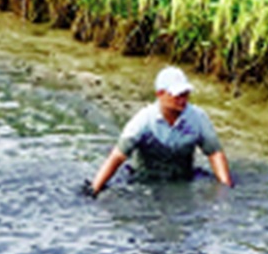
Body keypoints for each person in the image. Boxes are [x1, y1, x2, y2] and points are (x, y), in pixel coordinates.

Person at [89, 66, 232, 196]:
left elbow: (215, 153)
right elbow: (117, 156)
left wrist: (225, 188)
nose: (183, 100)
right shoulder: (143, 121)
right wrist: (94, 189)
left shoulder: (198, 118)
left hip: (182, 179)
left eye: (185, 94)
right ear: (160, 94)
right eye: (177, 95)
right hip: (144, 181)